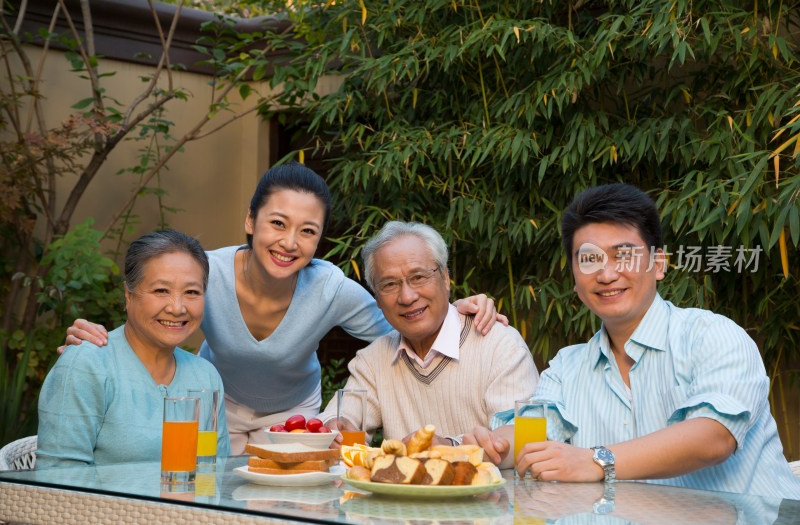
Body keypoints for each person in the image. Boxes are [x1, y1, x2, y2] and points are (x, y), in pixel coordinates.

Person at [63, 162, 504, 454]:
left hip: (296, 415)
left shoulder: (329, 286)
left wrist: (456, 311)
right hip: (215, 408)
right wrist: (99, 345)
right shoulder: (206, 273)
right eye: (277, 223)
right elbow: (154, 308)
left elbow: (401, 319)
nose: (290, 242)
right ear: (250, 221)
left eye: (307, 231)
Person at [468, 183, 800, 498]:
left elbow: (713, 438)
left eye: (623, 255)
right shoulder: (566, 367)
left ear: (658, 264)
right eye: (589, 259)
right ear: (573, 277)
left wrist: (595, 460)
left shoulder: (711, 335)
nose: (607, 273)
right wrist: (480, 448)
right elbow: (531, 434)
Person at [319, 221, 537, 452]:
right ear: (377, 299)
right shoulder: (373, 360)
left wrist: (450, 448)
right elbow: (340, 419)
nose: (407, 296)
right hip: (402, 488)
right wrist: (336, 430)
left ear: (445, 279)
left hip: (490, 488)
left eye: (418, 277)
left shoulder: (499, 345)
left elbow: (523, 439)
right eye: (390, 284)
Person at [37, 230, 231, 467]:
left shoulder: (205, 377)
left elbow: (215, 472)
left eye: (191, 292)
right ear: (129, 295)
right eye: (161, 290)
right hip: (98, 505)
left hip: (188, 505)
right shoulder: (88, 365)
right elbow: (59, 479)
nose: (178, 308)